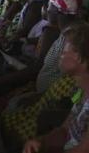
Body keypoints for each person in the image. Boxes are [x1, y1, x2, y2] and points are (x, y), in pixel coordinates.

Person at [1, 0, 84, 152]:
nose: (46, 9)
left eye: (50, 6)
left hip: (49, 99)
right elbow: (65, 128)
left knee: (12, 123)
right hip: (46, 97)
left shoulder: (70, 35)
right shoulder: (82, 97)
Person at [23, 23, 89, 153]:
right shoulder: (80, 90)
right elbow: (65, 130)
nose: (60, 56)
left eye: (64, 52)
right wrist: (42, 142)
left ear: (79, 57)